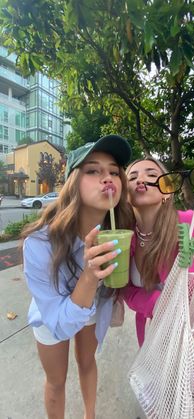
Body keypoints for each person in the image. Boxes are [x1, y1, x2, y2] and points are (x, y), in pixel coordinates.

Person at [21, 134, 133, 419]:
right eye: (93, 170)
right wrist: (89, 276)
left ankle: (90, 416)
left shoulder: (121, 227)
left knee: (87, 362)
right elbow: (59, 325)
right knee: (57, 380)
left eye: (113, 172)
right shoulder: (40, 243)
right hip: (52, 313)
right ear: (73, 182)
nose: (106, 178)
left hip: (92, 307)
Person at [122, 158, 194, 418]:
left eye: (152, 173)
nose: (141, 179)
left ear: (166, 191)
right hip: (155, 341)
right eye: (132, 176)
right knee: (164, 400)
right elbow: (124, 289)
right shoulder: (124, 237)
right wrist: (154, 303)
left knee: (189, 402)